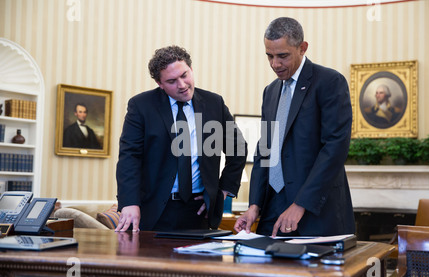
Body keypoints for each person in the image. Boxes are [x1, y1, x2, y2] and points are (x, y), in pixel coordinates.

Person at [234, 17, 355, 237]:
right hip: (272, 207)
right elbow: (265, 151)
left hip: (314, 209)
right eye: (269, 56)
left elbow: (335, 148)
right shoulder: (270, 92)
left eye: (282, 56)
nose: (275, 64)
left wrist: (300, 204)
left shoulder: (329, 82)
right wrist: (254, 206)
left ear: (302, 48)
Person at [115, 45, 247, 232]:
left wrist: (222, 192)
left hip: (199, 211)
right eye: (172, 81)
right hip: (153, 210)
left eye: (184, 75)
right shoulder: (141, 106)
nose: (182, 85)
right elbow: (130, 157)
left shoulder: (214, 103)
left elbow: (238, 148)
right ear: (159, 83)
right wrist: (129, 202)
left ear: (191, 69)